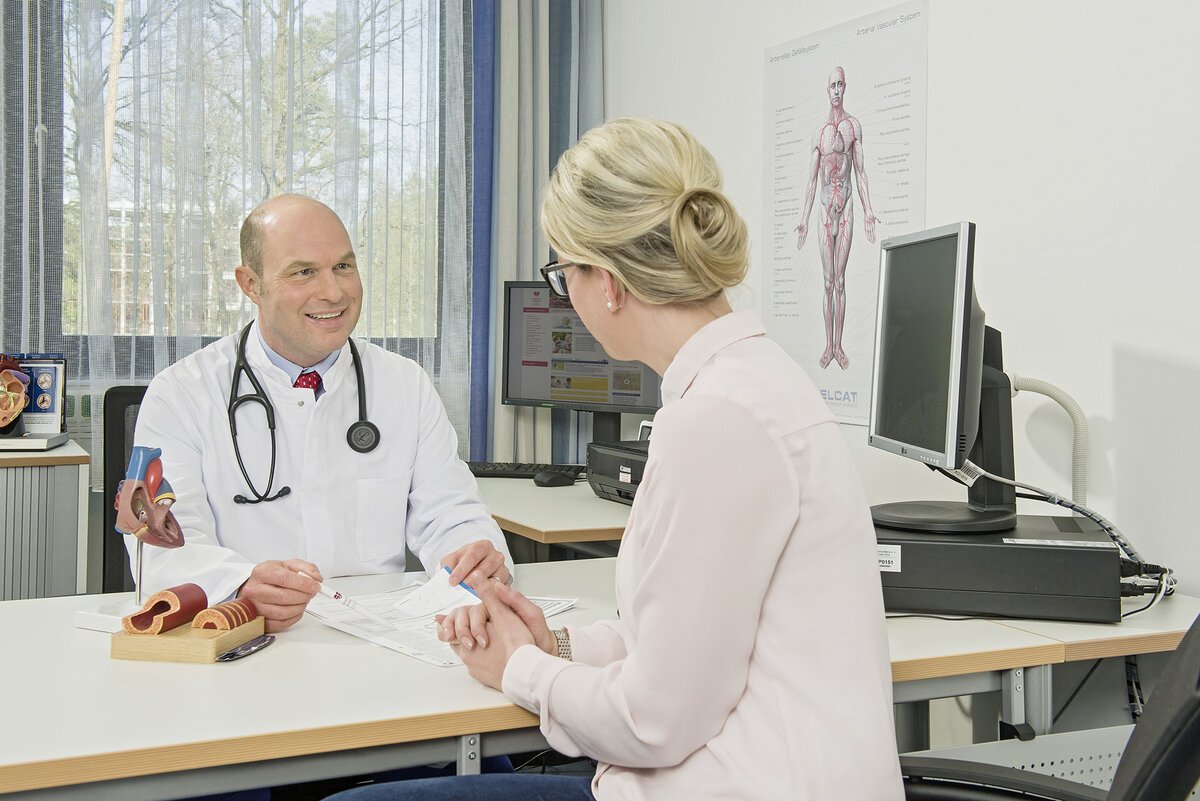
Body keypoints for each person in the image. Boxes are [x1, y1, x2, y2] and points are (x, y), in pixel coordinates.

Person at [326, 119, 903, 801]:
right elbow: (684, 645)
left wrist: (520, 668)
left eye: (562, 272)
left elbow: (654, 721)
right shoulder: (745, 384)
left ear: (606, 282)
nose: (563, 293)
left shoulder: (718, 421)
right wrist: (556, 645)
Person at [130, 194, 513, 634]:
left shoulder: (404, 383)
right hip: (245, 640)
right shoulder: (181, 394)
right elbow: (163, 547)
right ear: (251, 283)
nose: (333, 292)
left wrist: (472, 555)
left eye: (343, 267)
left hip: (379, 643)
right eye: (304, 272)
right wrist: (239, 586)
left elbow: (451, 512)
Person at [795, 65, 878, 371]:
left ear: (846, 88)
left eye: (841, 84)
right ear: (827, 89)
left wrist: (868, 210)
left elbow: (860, 174)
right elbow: (812, 181)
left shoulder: (853, 128)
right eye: (832, 85)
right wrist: (804, 218)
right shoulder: (819, 135)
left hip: (845, 210)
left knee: (840, 282)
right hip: (822, 211)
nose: (836, 90)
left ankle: (837, 346)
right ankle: (827, 345)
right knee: (827, 282)